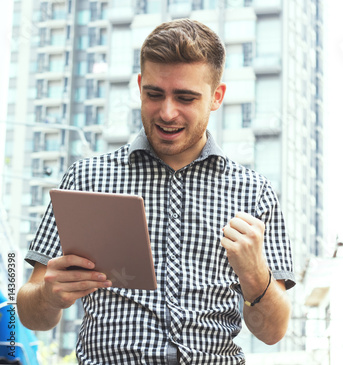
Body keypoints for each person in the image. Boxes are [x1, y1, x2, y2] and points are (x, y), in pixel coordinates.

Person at [17, 18, 295, 365]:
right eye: (154, 94)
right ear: (139, 87)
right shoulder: (86, 178)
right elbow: (30, 315)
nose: (167, 112)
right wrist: (49, 295)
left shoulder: (254, 194)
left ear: (216, 97)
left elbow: (273, 333)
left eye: (185, 97)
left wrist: (255, 275)